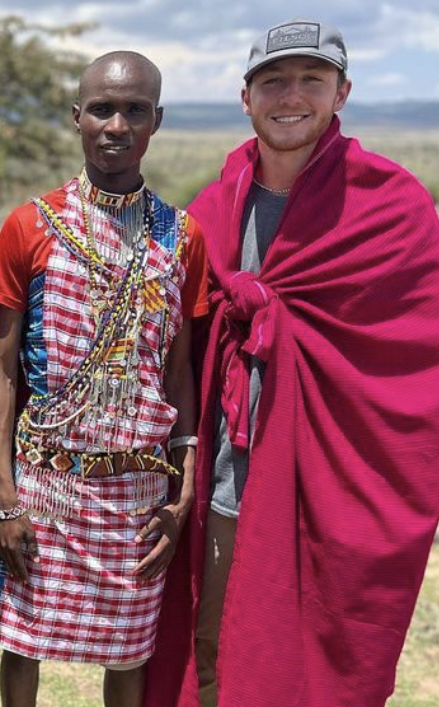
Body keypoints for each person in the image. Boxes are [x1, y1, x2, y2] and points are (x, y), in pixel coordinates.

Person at [145, 19, 439, 707]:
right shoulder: (211, 210)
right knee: (213, 648)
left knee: (317, 662)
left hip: (337, 487)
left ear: (342, 93)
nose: (290, 96)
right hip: (225, 483)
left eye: (311, 79)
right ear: (245, 98)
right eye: (272, 80)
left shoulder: (392, 208)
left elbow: (412, 363)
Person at [0, 51, 208, 707]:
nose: (116, 124)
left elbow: (178, 371)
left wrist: (182, 491)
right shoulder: (31, 225)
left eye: (134, 109)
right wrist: (6, 499)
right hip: (45, 480)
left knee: (128, 650)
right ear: (76, 117)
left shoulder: (180, 236)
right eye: (102, 109)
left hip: (137, 488)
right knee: (23, 642)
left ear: (156, 121)